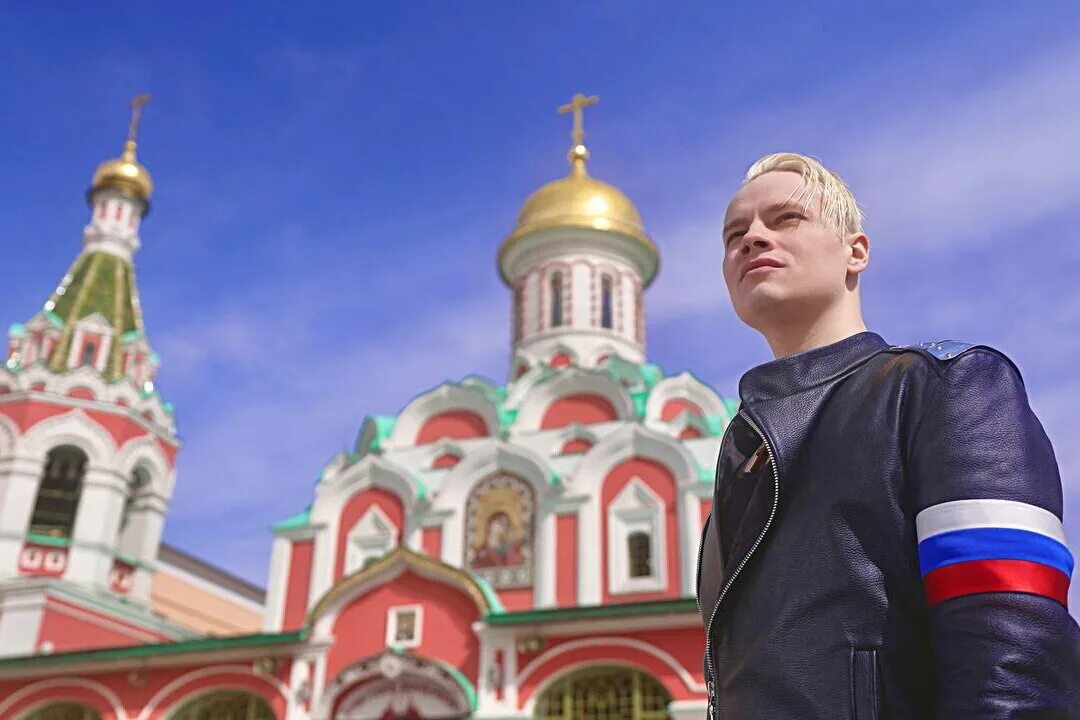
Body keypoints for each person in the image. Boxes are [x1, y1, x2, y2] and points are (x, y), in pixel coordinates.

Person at [696, 152, 1080, 718]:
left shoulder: (942, 387)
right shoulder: (745, 456)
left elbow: (1010, 629)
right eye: (734, 233)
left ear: (856, 252)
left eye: (785, 219)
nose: (752, 238)